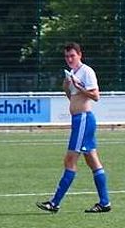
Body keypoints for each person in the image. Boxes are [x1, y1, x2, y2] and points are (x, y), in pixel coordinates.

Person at [36, 42, 111, 213]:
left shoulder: (86, 71)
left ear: (79, 55)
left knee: (70, 160)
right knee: (92, 161)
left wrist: (78, 86)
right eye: (67, 56)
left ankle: (54, 203)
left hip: (84, 119)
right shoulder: (73, 73)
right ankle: (105, 202)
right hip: (79, 120)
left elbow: (95, 96)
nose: (69, 59)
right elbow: (73, 99)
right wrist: (67, 88)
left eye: (72, 56)